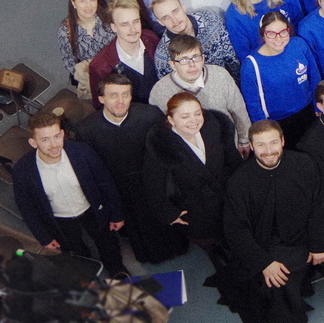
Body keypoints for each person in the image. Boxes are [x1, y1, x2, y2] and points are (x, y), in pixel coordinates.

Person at [223, 120, 324, 321]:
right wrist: (265, 263)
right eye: (261, 145)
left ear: (282, 141)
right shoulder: (239, 181)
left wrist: (320, 244)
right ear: (251, 146)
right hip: (275, 243)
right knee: (277, 282)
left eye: (273, 142)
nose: (268, 151)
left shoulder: (304, 163)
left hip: (313, 229)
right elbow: (236, 229)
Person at [74, 73, 187, 264]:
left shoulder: (150, 115)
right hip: (122, 190)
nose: (120, 101)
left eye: (125, 95)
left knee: (172, 232)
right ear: (101, 99)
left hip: (157, 182)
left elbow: (168, 148)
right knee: (141, 232)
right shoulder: (86, 130)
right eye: (113, 95)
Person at [11, 114, 128, 276]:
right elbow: (26, 208)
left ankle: (116, 269)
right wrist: (43, 237)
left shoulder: (82, 152)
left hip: (91, 208)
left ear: (62, 133)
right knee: (75, 251)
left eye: (56, 136)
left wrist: (116, 214)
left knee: (106, 241)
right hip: (59, 219)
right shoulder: (23, 171)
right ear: (33, 142)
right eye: (45, 140)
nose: (54, 145)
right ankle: (88, 275)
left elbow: (105, 182)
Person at [141, 93, 241, 279]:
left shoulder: (213, 126)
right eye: (185, 116)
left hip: (226, 200)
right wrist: (170, 213)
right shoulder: (162, 144)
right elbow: (152, 184)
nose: (194, 121)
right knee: (213, 249)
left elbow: (232, 159)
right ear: (171, 120)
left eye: (197, 114)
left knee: (234, 240)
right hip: (195, 209)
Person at [150, 34, 252, 153]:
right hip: (189, 153)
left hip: (228, 145)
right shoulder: (160, 91)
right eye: (184, 60)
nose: (192, 65)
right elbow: (162, 130)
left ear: (203, 58)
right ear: (173, 65)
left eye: (196, 57)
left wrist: (244, 140)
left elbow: (238, 110)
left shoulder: (220, 75)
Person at [240, 12, 321, 146]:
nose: (278, 38)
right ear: (263, 34)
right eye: (271, 34)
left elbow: (314, 77)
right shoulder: (251, 65)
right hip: (278, 122)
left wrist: (318, 104)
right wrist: (265, 130)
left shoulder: (299, 45)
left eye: (283, 32)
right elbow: (253, 104)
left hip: (308, 111)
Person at [88, 0, 161, 105]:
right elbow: (101, 106)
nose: (133, 29)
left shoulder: (151, 39)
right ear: (114, 27)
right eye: (124, 24)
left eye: (136, 21)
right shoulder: (100, 66)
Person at [151, 0, 237, 77]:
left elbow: (232, 59)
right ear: (160, 22)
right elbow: (169, 84)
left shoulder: (211, 19)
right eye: (166, 18)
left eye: (175, 11)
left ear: (183, 7)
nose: (174, 20)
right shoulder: (163, 55)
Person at [57, 0, 113, 92]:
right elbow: (69, 63)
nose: (88, 6)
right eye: (82, 1)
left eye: (92, 0)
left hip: (120, 72)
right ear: (73, 3)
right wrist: (86, 78)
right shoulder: (66, 31)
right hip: (95, 82)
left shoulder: (109, 18)